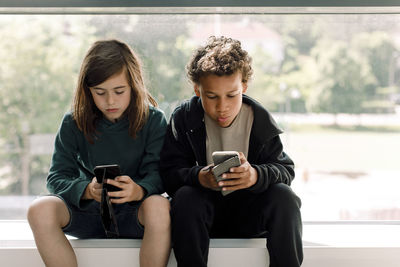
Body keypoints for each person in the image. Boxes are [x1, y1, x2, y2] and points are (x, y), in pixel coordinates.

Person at [160, 36, 303, 267]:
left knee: (285, 197)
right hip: (202, 217)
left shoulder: (260, 120)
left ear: (244, 87)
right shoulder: (184, 118)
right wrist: (199, 177)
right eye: (211, 96)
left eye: (231, 95)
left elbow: (285, 171)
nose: (222, 106)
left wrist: (255, 175)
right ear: (197, 90)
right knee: (186, 197)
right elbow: (168, 174)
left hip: (250, 217)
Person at [27, 39, 171, 267]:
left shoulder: (154, 120)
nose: (110, 100)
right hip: (90, 214)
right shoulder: (73, 121)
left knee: (160, 207)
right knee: (39, 210)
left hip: (134, 213)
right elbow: (56, 177)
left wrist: (138, 190)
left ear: (134, 85)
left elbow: (163, 174)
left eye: (119, 91)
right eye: (100, 92)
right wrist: (86, 190)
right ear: (88, 91)